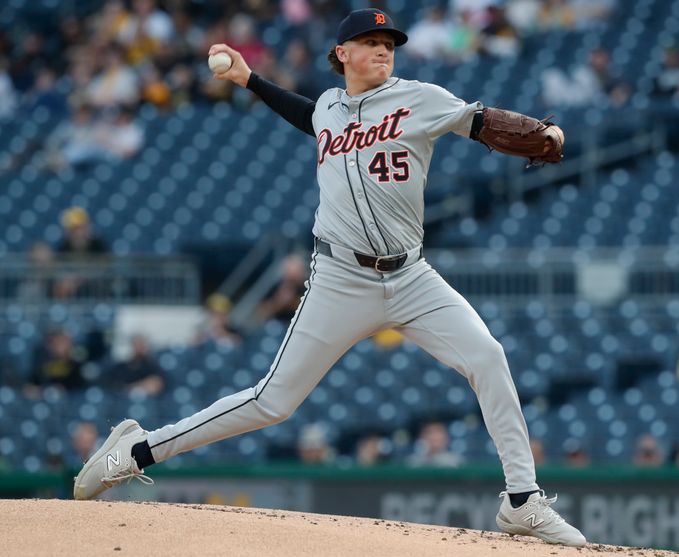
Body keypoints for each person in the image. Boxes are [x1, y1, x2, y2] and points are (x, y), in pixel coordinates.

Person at [74, 9, 584, 547]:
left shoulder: (421, 98)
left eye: (389, 42)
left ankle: (523, 501)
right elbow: (306, 114)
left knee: (488, 356)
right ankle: (135, 451)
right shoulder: (328, 108)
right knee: (272, 402)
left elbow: (479, 120)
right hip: (341, 279)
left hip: (412, 277)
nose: (384, 50)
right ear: (342, 53)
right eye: (370, 41)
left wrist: (540, 129)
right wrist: (248, 80)